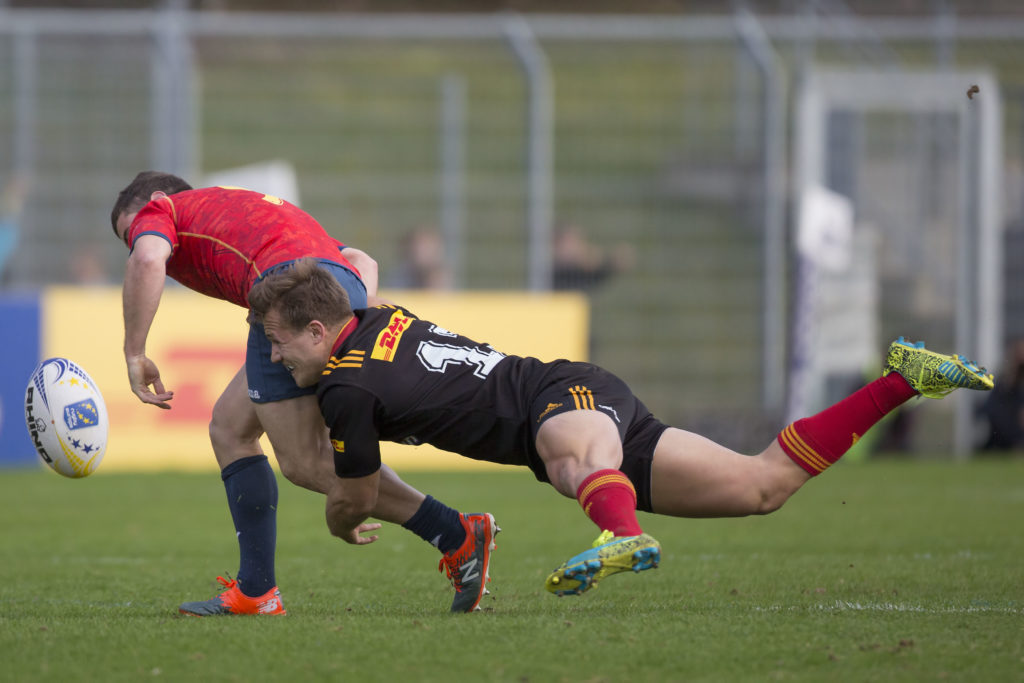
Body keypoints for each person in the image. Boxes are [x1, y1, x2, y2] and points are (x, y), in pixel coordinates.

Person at [248, 258, 995, 598]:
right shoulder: (376, 316)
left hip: (557, 396)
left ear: (320, 330)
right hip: (583, 396)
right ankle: (907, 376)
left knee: (571, 461)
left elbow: (356, 490)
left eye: (280, 342)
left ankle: (617, 534)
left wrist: (342, 521)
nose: (275, 357)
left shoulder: (347, 388)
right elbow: (360, 265)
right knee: (763, 486)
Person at [111, 172, 497, 615]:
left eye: (132, 230)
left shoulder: (164, 211)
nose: (137, 238)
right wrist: (353, 317)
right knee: (230, 428)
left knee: (303, 460)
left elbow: (146, 260)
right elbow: (360, 259)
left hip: (285, 291)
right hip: (336, 288)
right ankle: (257, 588)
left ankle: (455, 534)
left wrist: (134, 351)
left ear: (159, 199)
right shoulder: (248, 207)